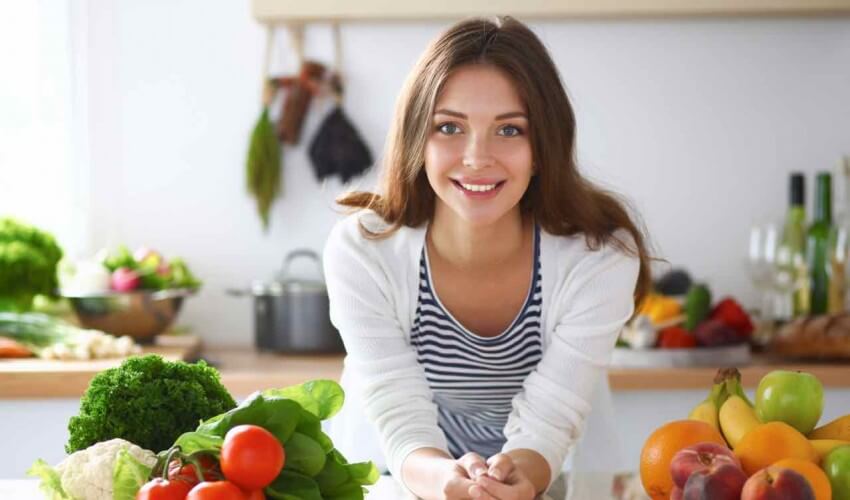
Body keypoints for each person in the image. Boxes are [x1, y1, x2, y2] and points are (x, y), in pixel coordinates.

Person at [323, 16, 652, 500]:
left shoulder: (599, 257)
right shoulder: (363, 250)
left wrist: (513, 480)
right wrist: (444, 482)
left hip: (548, 472)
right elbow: (396, 406)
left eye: (509, 130)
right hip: (399, 473)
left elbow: (552, 414)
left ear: (543, 147)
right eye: (449, 126)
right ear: (418, 138)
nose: (477, 157)